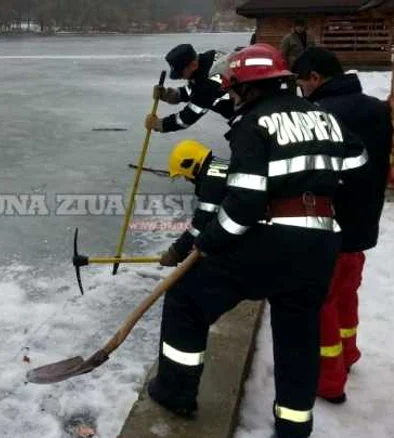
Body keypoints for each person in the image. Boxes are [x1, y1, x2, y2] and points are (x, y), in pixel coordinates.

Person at [147, 44, 369, 438]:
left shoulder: (254, 123)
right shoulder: (323, 116)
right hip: (320, 244)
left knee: (187, 299)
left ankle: (175, 391)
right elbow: (358, 161)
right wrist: (314, 179)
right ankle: (293, 426)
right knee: (298, 336)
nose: (231, 96)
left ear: (248, 88)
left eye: (234, 89)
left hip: (271, 239)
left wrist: (208, 244)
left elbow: (244, 206)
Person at [291, 47, 392, 404]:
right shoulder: (377, 108)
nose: (302, 90)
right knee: (347, 295)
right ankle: (348, 354)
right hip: (363, 225)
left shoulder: (319, 113)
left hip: (328, 227)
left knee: (322, 303)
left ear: (316, 78)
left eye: (302, 84)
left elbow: (311, 173)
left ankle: (329, 380)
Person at [158, 139, 229, 267]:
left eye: (185, 175)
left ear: (189, 164)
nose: (186, 179)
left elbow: (200, 224)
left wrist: (175, 252)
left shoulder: (211, 181)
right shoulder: (218, 165)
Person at [145, 44, 234, 134]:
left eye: (181, 73)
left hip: (245, 115)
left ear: (193, 65)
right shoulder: (208, 58)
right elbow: (195, 90)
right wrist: (169, 95)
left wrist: (159, 124)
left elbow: (186, 119)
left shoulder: (208, 83)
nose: (180, 77)